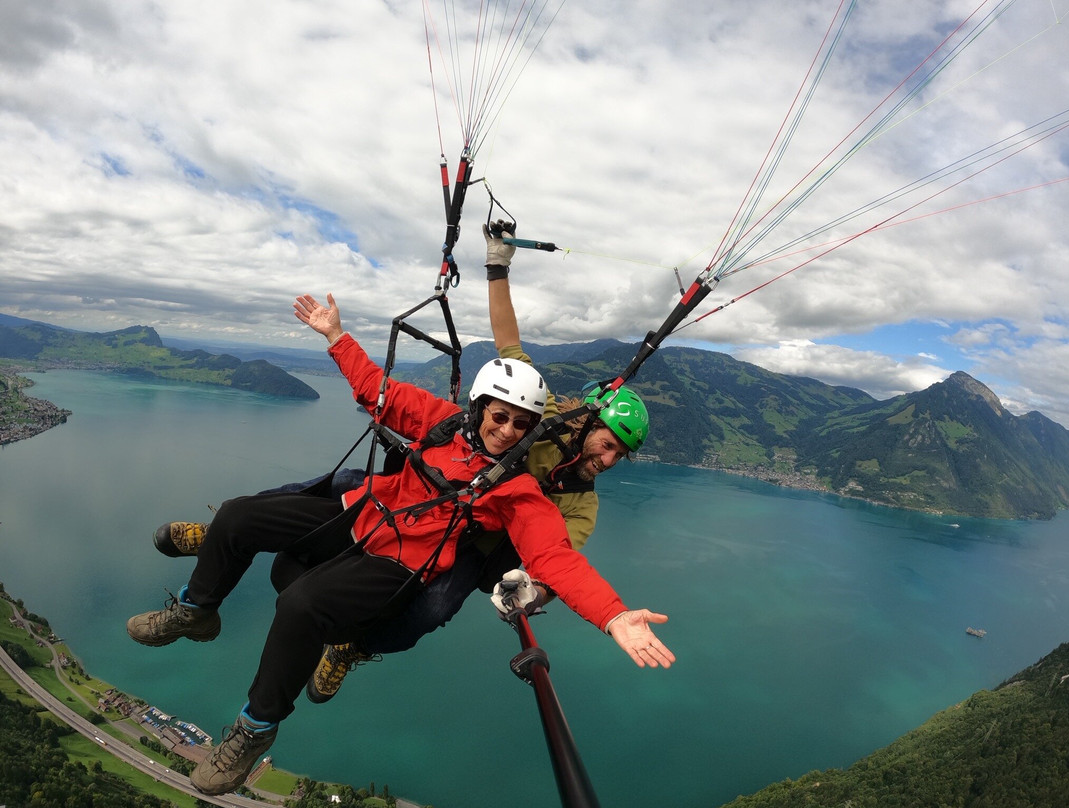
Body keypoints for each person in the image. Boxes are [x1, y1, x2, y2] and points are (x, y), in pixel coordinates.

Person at [126, 292, 675, 796]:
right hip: (364, 510)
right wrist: (336, 336)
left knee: (301, 604)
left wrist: (613, 616)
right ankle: (196, 612)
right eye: (500, 416)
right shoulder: (443, 423)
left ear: (532, 429)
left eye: (519, 424)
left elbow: (554, 555)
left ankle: (253, 731)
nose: (506, 431)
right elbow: (379, 394)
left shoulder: (517, 488)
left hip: (405, 557)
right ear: (481, 407)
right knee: (239, 515)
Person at [154, 222, 653, 707]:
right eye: (607, 445)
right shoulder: (529, 408)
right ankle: (225, 534)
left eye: (618, 456)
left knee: (429, 610)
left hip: (473, 539)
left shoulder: (572, 500)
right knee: (338, 485)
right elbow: (491, 347)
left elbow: (556, 557)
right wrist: (496, 268)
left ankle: (352, 648)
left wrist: (567, 601)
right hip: (423, 501)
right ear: (586, 425)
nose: (607, 460)